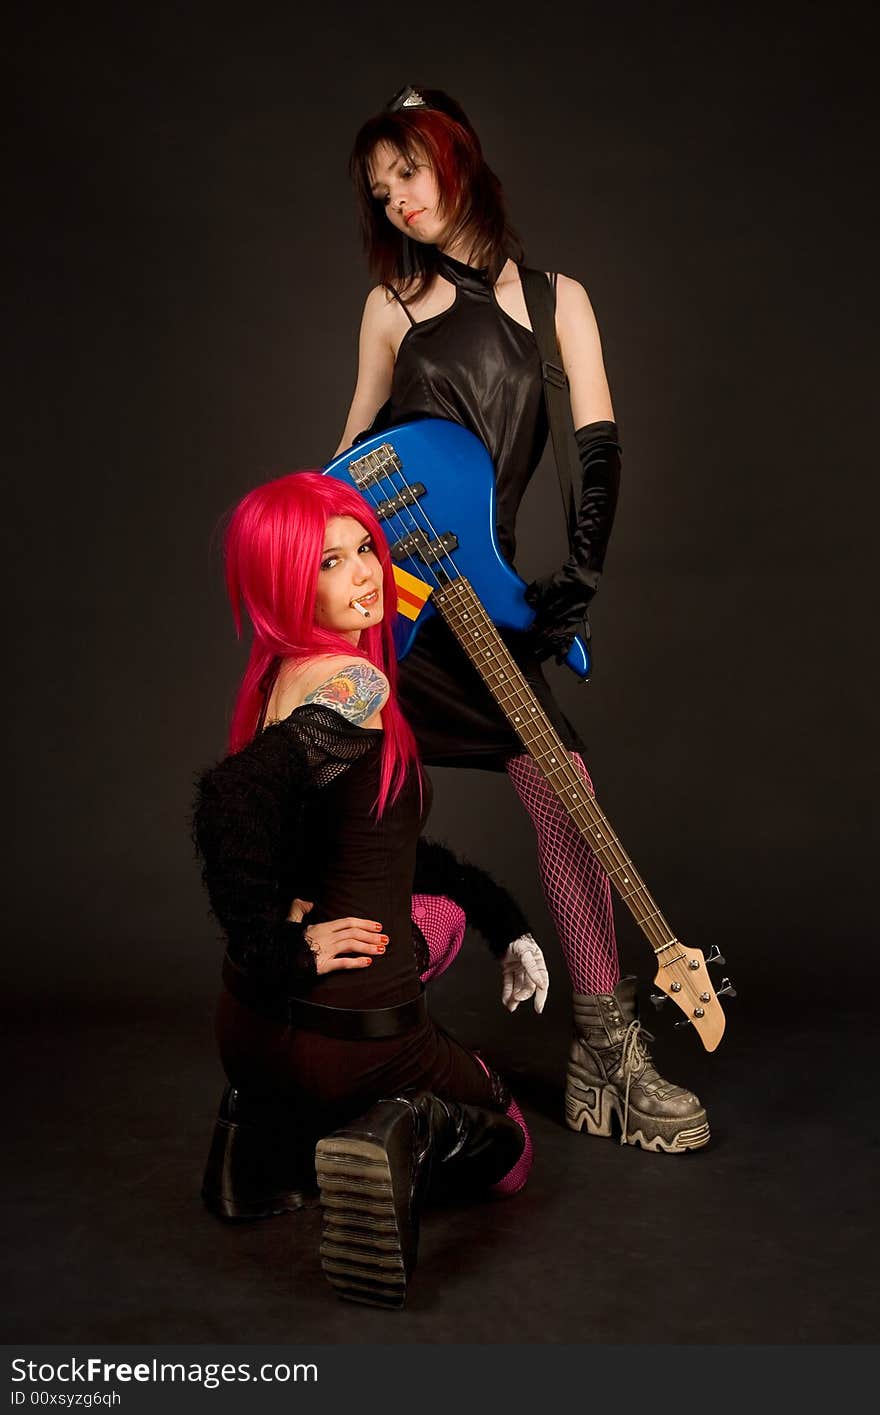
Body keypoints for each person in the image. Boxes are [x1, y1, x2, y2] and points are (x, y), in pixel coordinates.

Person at [334, 84, 709, 1154]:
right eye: (379, 187)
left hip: (481, 599)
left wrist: (575, 576)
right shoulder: (387, 307)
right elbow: (347, 461)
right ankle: (343, 1045)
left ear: (454, 158)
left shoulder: (556, 302)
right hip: (396, 605)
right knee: (351, 790)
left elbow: (596, 446)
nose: (397, 200)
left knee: (565, 794)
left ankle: (606, 1053)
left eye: (408, 170)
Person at [192, 469, 537, 1309]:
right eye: (327, 561)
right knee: (515, 1147)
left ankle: (254, 1142)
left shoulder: (282, 678)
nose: (363, 573)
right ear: (281, 579)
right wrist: (287, 944)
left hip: (251, 1028)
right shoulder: (360, 685)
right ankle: (405, 1125)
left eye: (363, 550)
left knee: (441, 918)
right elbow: (229, 801)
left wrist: (502, 919)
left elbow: (383, 850)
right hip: (349, 1039)